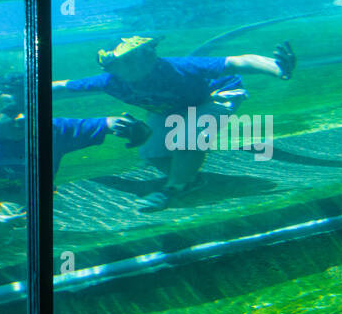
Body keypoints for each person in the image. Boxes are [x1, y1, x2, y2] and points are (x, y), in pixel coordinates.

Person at [53, 36, 295, 211]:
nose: (143, 60)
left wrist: (276, 68)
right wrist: (26, 94)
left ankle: (173, 188)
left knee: (186, 137)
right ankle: (191, 180)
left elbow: (237, 62)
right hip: (170, 110)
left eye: (145, 53)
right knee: (151, 152)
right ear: (112, 67)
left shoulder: (176, 68)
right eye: (131, 58)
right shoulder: (108, 82)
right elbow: (64, 87)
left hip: (216, 95)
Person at [0, 73, 149, 240]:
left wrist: (130, 127)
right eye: (11, 111)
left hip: (23, 197)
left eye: (30, 108)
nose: (23, 117)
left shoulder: (53, 131)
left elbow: (107, 123)